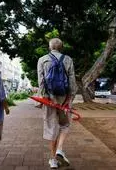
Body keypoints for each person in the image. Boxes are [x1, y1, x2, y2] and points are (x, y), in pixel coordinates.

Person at [37, 38, 77, 168]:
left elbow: (41, 81)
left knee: (51, 128)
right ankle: (60, 149)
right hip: (64, 98)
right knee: (65, 125)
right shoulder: (68, 59)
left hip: (49, 99)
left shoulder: (42, 60)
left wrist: (44, 98)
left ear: (50, 47)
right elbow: (72, 82)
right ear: (61, 47)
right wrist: (69, 99)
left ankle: (53, 160)